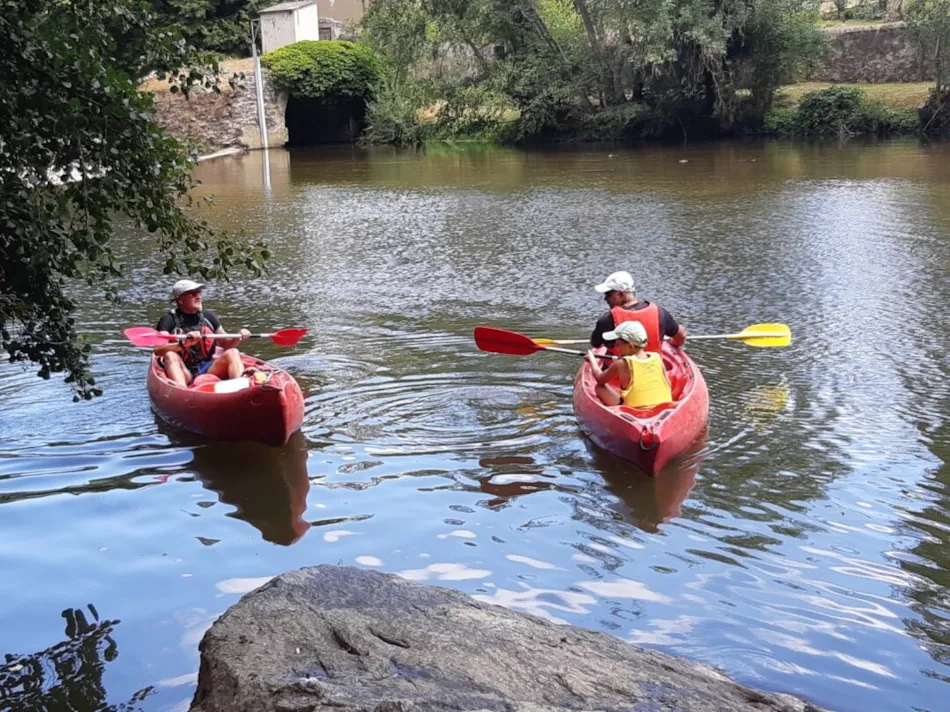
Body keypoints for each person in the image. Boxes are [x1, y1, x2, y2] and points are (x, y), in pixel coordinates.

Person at [153, 279, 251, 387]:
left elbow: (225, 344)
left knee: (233, 352)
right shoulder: (168, 320)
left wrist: (238, 337)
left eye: (199, 293)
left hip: (208, 368)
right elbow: (158, 350)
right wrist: (182, 344)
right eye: (192, 294)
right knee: (170, 355)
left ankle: (240, 388)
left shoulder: (209, 317)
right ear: (180, 299)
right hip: (183, 370)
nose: (198, 297)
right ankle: (182, 391)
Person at [590, 270, 686, 353]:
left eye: (608, 295)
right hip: (652, 369)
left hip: (618, 372)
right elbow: (681, 335)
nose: (605, 299)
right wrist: (674, 344)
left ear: (620, 294)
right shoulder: (660, 312)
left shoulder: (606, 319)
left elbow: (596, 344)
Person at [585, 321, 673, 408]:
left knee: (599, 387)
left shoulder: (621, 364)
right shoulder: (657, 357)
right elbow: (668, 383)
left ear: (630, 346)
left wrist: (592, 360)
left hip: (635, 412)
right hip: (663, 408)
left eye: (618, 344)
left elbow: (600, 379)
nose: (616, 347)